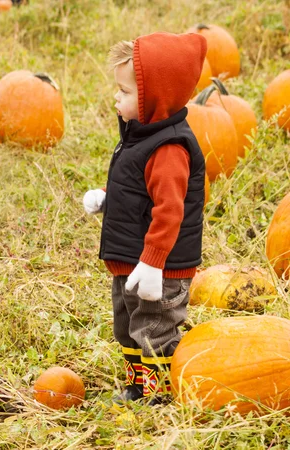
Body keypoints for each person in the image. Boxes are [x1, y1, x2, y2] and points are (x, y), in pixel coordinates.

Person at [83, 32, 207, 404]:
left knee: (154, 327)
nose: (115, 98)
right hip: (130, 261)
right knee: (128, 325)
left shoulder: (169, 149)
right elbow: (141, 192)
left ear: (153, 98)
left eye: (123, 92)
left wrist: (153, 265)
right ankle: (138, 386)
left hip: (160, 269)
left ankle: (162, 391)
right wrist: (108, 199)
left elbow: (170, 211)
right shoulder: (140, 136)